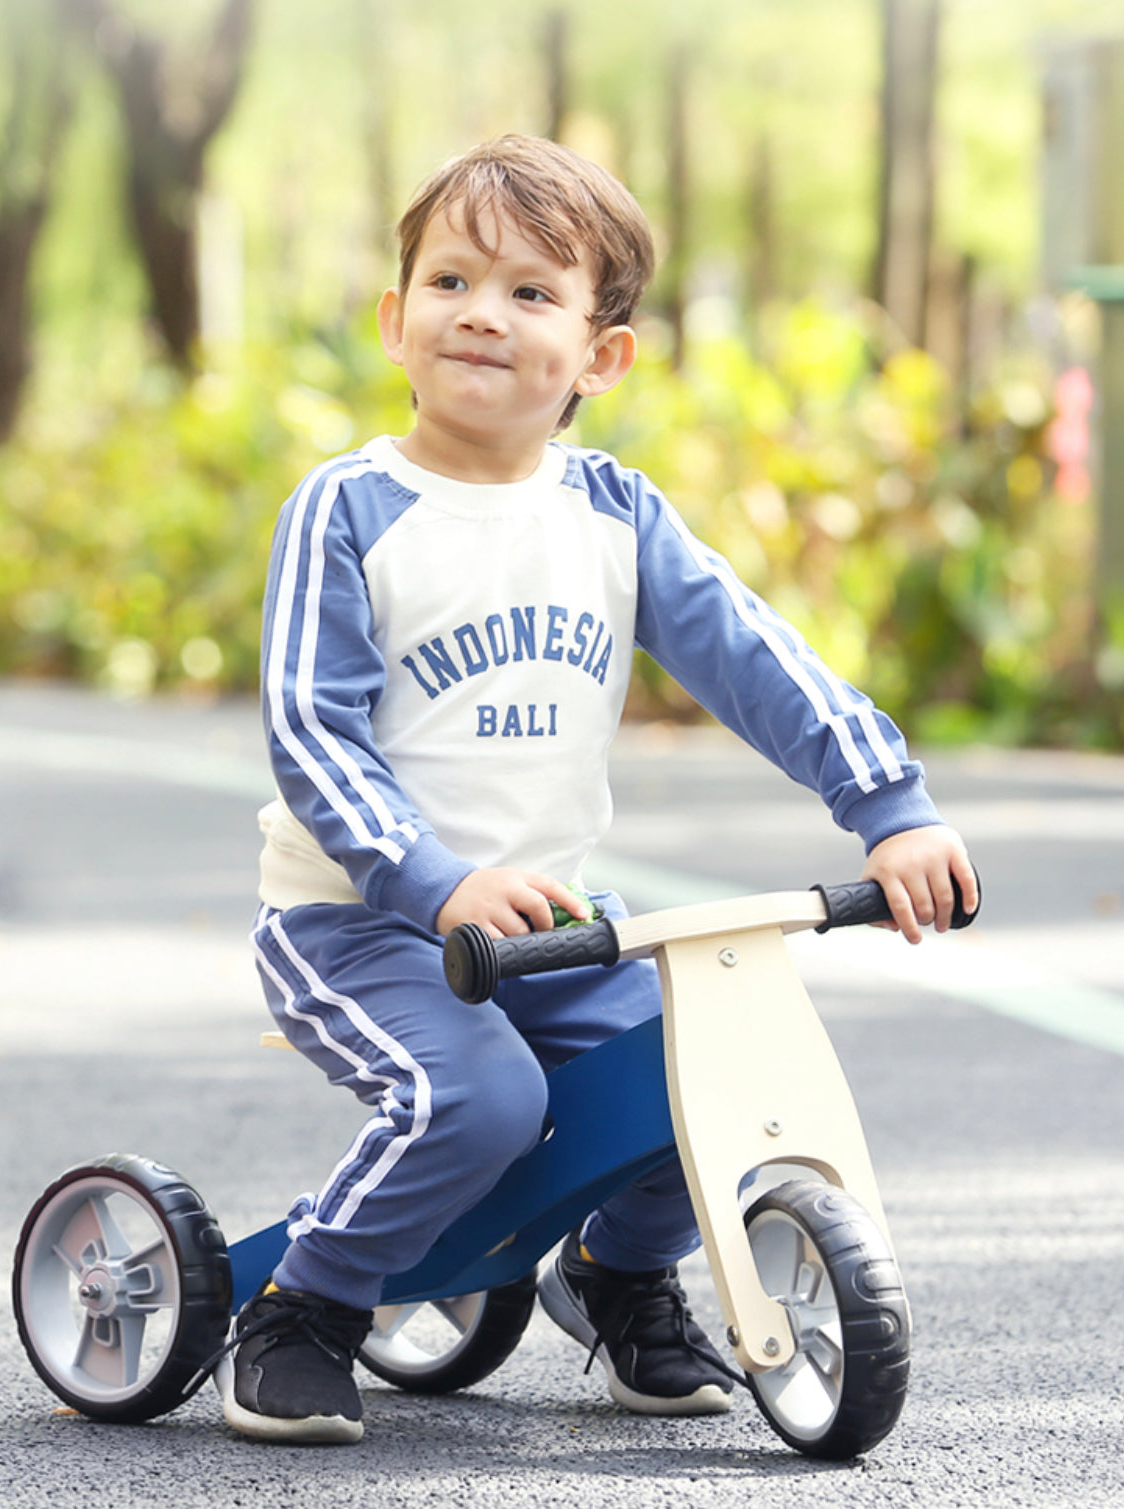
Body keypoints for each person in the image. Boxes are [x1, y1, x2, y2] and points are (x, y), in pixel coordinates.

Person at [219, 134, 977, 1444]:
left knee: (708, 1071)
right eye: (452, 279)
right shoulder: (347, 507)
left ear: (599, 354)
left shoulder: (612, 515)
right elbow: (309, 724)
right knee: (486, 1103)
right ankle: (305, 1302)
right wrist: (434, 877)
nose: (481, 313)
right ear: (396, 320)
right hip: (359, 920)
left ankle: (619, 1274)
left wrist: (888, 805)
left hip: (552, 921)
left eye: (529, 293)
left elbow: (761, 665)